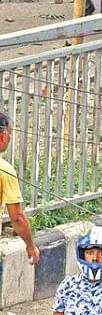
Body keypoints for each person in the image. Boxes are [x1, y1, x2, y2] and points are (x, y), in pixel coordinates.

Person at [0, 112, 39, 264]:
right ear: (3, 135)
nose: (10, 139)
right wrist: (31, 246)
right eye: (10, 134)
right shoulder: (5, 170)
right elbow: (17, 217)